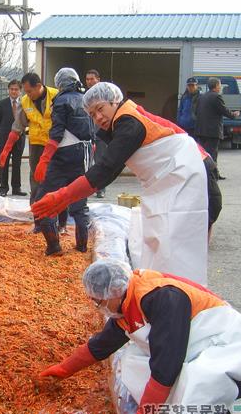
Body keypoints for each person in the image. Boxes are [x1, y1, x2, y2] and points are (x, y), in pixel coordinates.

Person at [40, 259, 241, 414]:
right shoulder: (126, 302)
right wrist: (62, 369)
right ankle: (204, 413)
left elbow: (166, 367)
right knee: (133, 360)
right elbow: (101, 345)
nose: (97, 307)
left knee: (195, 384)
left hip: (232, 347)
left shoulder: (161, 298)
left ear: (114, 292)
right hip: (198, 343)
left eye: (98, 301)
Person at [32, 82, 209, 286]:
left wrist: (64, 195)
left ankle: (183, 291)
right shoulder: (121, 122)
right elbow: (107, 169)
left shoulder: (128, 122)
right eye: (92, 114)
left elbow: (106, 170)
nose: (98, 117)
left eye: (100, 109)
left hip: (188, 173)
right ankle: (163, 286)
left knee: (178, 242)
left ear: (114, 101)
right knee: (160, 238)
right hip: (165, 181)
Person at [33, 68, 93, 255]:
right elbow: (92, 132)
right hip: (84, 154)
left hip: (63, 155)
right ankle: (82, 247)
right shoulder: (86, 99)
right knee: (79, 202)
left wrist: (44, 159)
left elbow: (57, 133)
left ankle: (54, 246)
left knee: (43, 201)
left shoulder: (60, 100)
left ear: (59, 83)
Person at [0, 73, 64, 233]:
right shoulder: (25, 101)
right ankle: (39, 222)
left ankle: (61, 224)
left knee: (58, 182)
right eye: (25, 91)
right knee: (36, 183)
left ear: (38, 86)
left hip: (57, 145)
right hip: (36, 146)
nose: (27, 94)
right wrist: (6, 149)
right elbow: (17, 127)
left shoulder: (57, 96)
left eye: (29, 91)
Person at [194, 77, 240, 180]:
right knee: (212, 154)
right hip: (212, 131)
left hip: (201, 130)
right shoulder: (216, 97)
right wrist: (234, 114)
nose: (220, 87)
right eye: (219, 85)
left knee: (203, 154)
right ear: (215, 86)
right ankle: (212, 176)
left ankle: (210, 173)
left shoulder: (201, 97)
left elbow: (196, 112)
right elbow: (224, 111)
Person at [0, 80, 27, 197]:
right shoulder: (1, 104)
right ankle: (3, 188)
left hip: (19, 138)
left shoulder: (25, 103)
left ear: (20, 90)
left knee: (17, 163)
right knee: (4, 163)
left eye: (16, 89)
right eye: (11, 89)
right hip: (4, 138)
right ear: (8, 90)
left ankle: (16, 188)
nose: (14, 91)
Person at [85, 69, 107, 199]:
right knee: (87, 164)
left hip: (100, 134)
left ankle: (101, 188)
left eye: (92, 79)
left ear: (98, 79)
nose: (89, 82)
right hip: (87, 135)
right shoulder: (84, 96)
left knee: (101, 162)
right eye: (87, 79)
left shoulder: (104, 94)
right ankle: (87, 189)